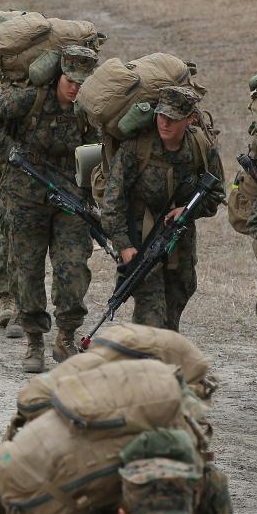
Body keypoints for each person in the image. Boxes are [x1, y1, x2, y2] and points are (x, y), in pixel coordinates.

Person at [0, 46, 101, 373]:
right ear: (59, 76)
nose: (75, 88)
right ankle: (33, 341)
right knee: (27, 270)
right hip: (25, 197)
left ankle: (66, 337)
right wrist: (9, 150)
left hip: (70, 199)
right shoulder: (30, 100)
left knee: (73, 268)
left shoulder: (88, 110)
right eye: (70, 80)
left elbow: (103, 151)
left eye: (81, 83)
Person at [99, 86, 224, 332]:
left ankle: (163, 363)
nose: (164, 123)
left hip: (180, 241)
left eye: (173, 118)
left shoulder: (200, 147)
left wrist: (187, 211)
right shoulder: (137, 147)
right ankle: (150, 365)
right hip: (141, 239)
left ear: (190, 119)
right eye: (161, 115)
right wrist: (124, 245)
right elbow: (113, 201)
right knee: (150, 316)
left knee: (174, 308)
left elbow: (216, 194)